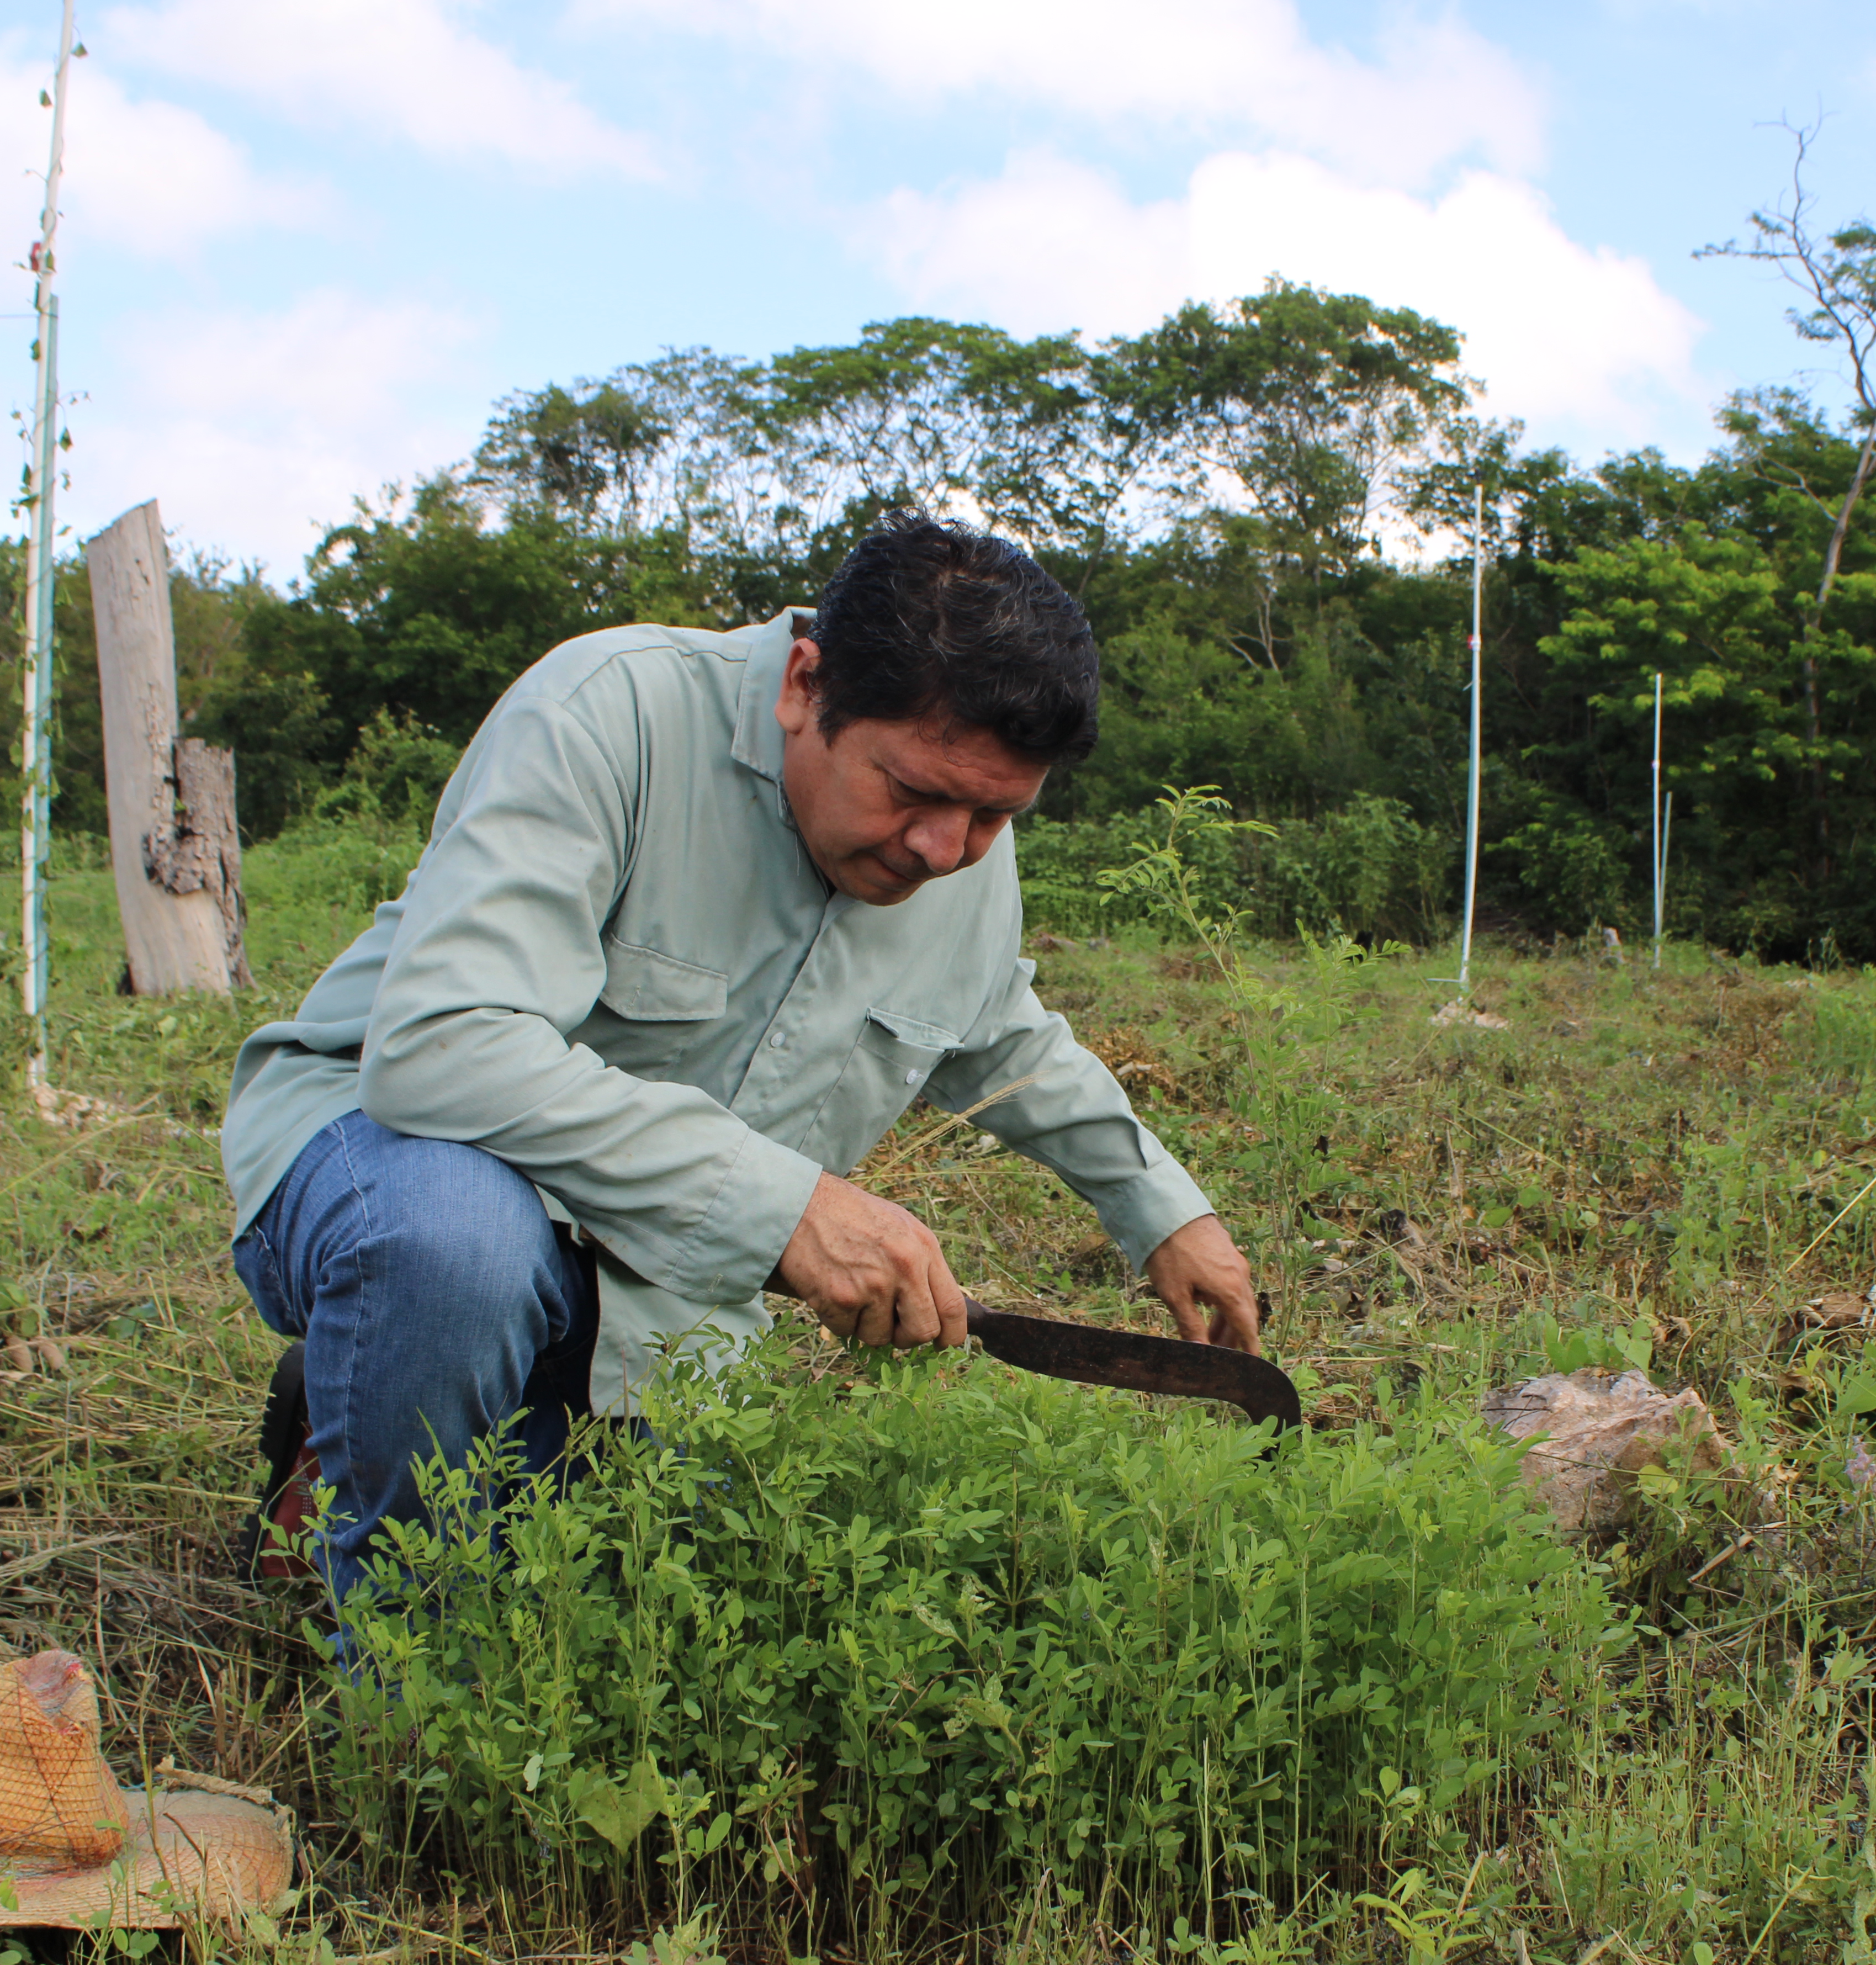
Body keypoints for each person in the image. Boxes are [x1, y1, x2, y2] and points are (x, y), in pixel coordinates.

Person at [220, 513, 1262, 1603]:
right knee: (455, 1249)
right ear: (804, 684)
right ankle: (400, 1667)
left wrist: (1164, 1209)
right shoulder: (611, 713)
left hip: (655, 1259)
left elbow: (1004, 1032)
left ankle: (356, 1415)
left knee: (645, 1579)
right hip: (393, 1159)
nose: (942, 848)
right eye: (911, 791)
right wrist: (789, 1205)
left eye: (994, 815)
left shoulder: (955, 859)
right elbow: (441, 1050)